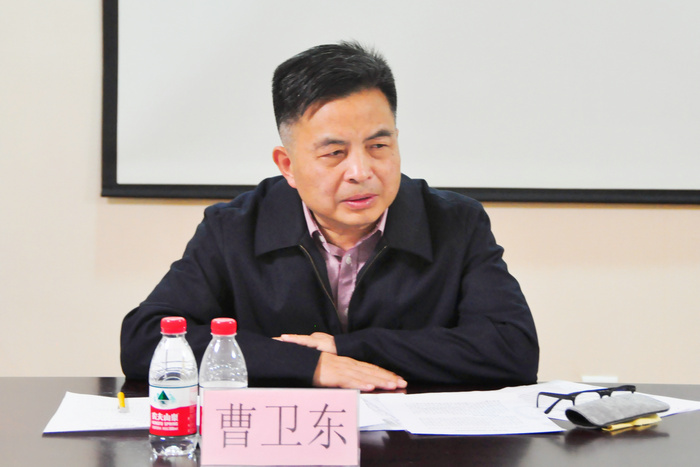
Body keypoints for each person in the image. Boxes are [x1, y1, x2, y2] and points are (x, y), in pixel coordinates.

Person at [120, 42, 539, 391]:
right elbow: (146, 340)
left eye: (378, 146)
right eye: (335, 153)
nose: (361, 171)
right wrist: (309, 365)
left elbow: (513, 349)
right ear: (287, 165)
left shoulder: (454, 223)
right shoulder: (235, 228)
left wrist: (349, 349)